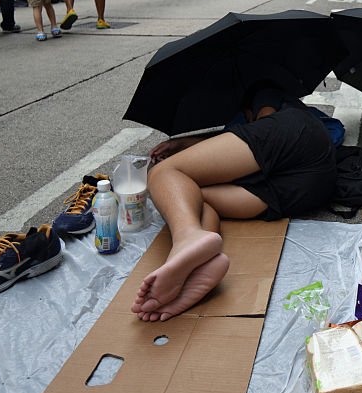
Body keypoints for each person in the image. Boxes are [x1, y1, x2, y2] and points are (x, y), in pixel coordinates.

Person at [134, 85, 337, 321]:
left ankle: (186, 238)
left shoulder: (264, 93)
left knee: (162, 172)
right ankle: (196, 267)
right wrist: (186, 145)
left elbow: (263, 127)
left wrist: (188, 148)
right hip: (310, 186)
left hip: (296, 138)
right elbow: (243, 141)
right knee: (190, 197)